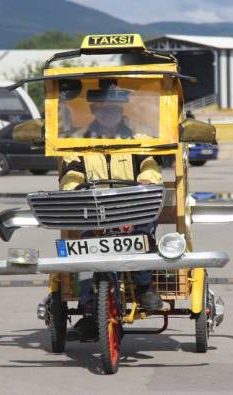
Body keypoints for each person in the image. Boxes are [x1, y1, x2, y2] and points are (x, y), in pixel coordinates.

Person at [59, 80, 163, 339]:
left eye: (114, 109)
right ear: (94, 111)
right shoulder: (78, 140)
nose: (109, 114)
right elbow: (70, 172)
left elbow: (151, 164)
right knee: (84, 248)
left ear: (122, 112)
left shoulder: (138, 139)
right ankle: (88, 306)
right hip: (94, 208)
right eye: (103, 109)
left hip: (131, 205)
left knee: (142, 233)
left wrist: (148, 178)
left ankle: (144, 287)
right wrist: (74, 188)